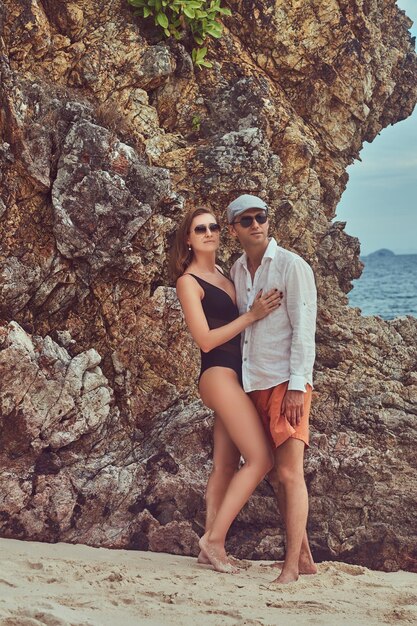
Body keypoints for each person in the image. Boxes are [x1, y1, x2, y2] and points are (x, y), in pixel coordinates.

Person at [171, 206, 281, 574]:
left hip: (237, 375)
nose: (208, 233)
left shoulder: (224, 273)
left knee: (225, 464)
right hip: (217, 374)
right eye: (199, 229)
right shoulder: (189, 282)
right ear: (188, 238)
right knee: (262, 458)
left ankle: (207, 548)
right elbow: (204, 340)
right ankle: (215, 540)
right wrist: (251, 316)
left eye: (213, 227)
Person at [227, 194, 318, 584]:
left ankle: (289, 570)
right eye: (246, 221)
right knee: (275, 476)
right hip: (254, 382)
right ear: (234, 230)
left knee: (289, 473)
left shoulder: (291, 266)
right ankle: (305, 558)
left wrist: (298, 387)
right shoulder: (237, 270)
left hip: (286, 382)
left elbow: (304, 329)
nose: (256, 225)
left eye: (261, 217)